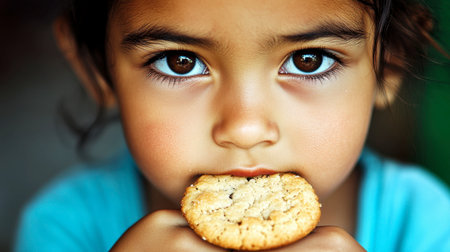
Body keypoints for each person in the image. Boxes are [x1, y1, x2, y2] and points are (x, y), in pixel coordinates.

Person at [14, 0, 450, 251]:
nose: (244, 129)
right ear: (96, 71)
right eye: (180, 62)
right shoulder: (64, 228)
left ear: (388, 63)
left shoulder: (429, 227)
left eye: (307, 60)